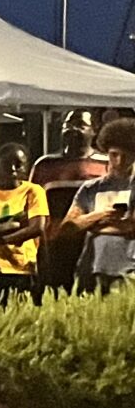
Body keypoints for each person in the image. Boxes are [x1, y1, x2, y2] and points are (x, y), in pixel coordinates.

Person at [55, 116, 135, 293]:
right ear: (107, 153)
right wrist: (102, 215)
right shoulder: (91, 188)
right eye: (114, 155)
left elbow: (131, 226)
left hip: (128, 270)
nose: (120, 161)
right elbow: (67, 227)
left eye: (126, 156)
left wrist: (90, 225)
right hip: (90, 268)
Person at [0, 142, 50, 305]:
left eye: (19, 165)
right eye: (7, 164)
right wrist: (16, 228)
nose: (13, 169)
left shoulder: (32, 191)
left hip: (21, 267)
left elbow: (36, 228)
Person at [29, 114, 105, 193]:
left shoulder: (106, 164)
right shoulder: (45, 164)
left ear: (94, 130)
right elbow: (31, 196)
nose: (73, 128)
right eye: (68, 125)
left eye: (80, 125)